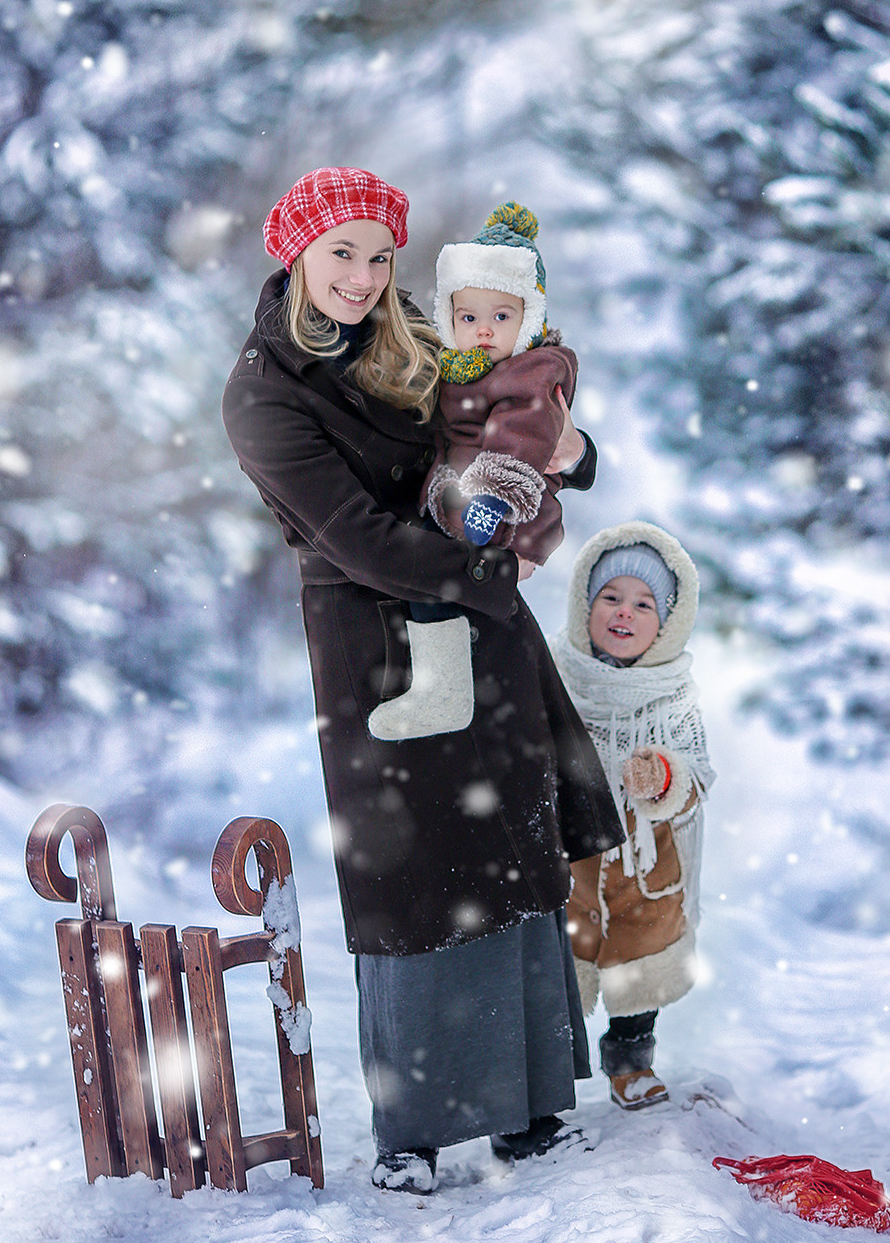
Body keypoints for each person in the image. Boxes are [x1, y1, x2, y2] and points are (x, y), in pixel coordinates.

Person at [221, 166, 624, 1194]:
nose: (360, 277)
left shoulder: (411, 335)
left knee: (512, 859)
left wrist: (572, 457)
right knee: (410, 882)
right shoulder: (265, 391)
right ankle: (415, 1127)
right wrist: (496, 567)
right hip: (381, 645)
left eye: (377, 254)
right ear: (295, 255)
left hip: (484, 628)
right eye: (339, 254)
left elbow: (508, 410)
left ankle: (530, 1111)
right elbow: (352, 536)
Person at [368, 200, 578, 742]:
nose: (484, 331)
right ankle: (444, 690)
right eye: (469, 318)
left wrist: (494, 497)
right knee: (433, 586)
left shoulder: (531, 374)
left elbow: (522, 437)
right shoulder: (459, 369)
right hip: (459, 501)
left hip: (508, 508)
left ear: (529, 319)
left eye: (502, 317)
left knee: (436, 579)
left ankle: (445, 694)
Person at [549, 523, 715, 1111]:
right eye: (610, 597)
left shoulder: (674, 697)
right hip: (570, 853)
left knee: (638, 961)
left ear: (667, 621)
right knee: (559, 962)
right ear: (584, 606)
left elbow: (697, 778)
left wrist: (663, 777)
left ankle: (629, 1061)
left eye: (644, 604)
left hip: (644, 862)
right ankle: (547, 1077)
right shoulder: (557, 677)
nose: (625, 613)